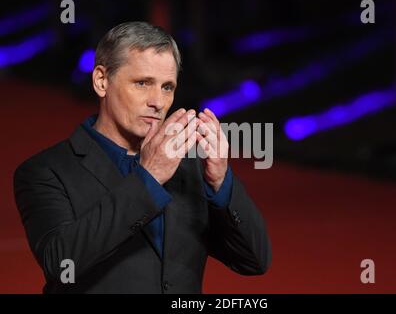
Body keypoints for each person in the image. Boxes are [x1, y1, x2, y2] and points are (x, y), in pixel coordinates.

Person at [13, 21, 271, 294]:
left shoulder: (192, 167)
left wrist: (221, 182)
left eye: (167, 87)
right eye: (143, 83)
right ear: (101, 81)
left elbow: (254, 261)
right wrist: (148, 179)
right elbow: (62, 263)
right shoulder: (45, 171)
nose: (158, 102)